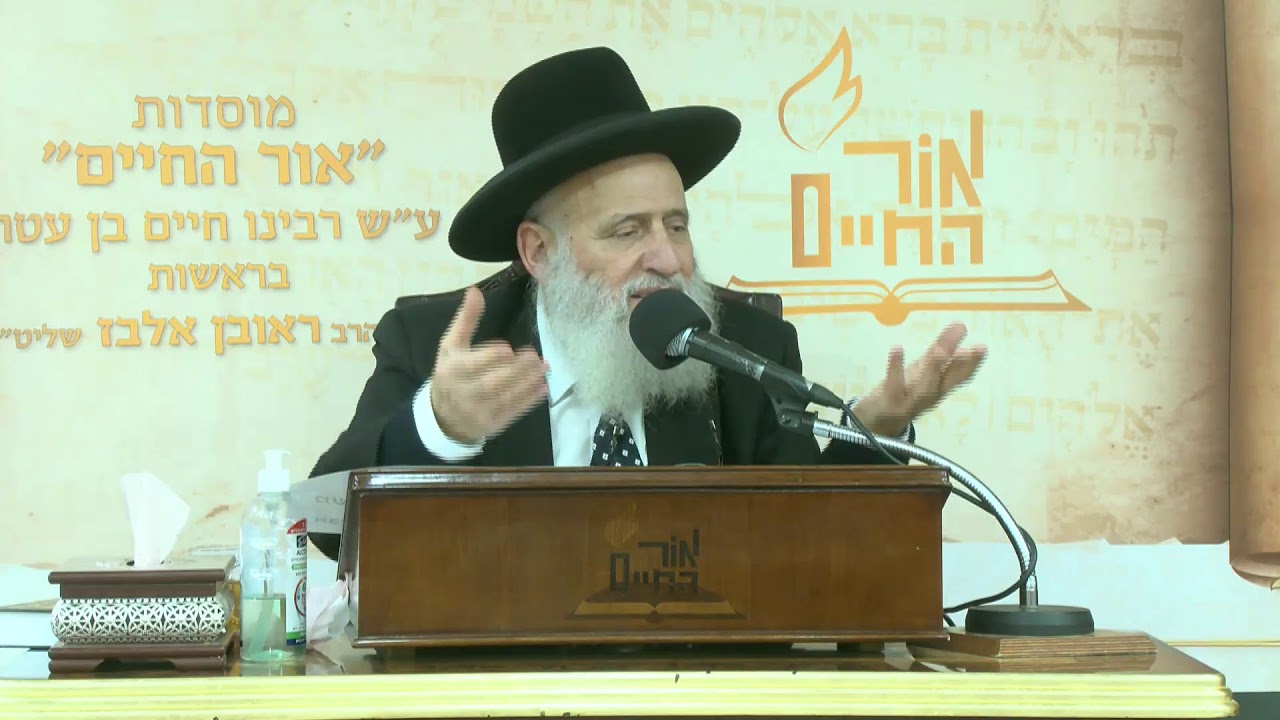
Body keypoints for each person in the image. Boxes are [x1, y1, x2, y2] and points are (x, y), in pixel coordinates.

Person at [307, 47, 986, 561]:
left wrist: (873, 433)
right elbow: (325, 524)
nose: (668, 259)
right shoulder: (438, 343)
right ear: (539, 252)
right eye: (628, 231)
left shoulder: (744, 348)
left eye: (676, 225)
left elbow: (809, 533)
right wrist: (436, 428)